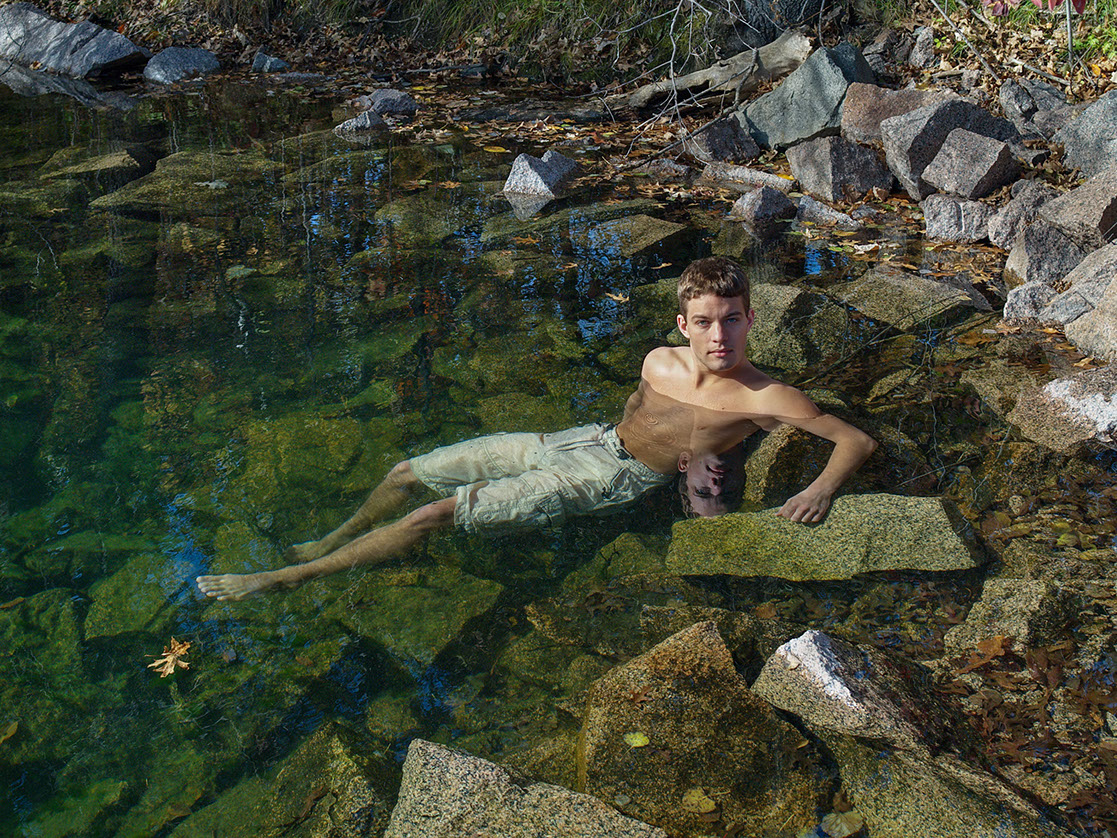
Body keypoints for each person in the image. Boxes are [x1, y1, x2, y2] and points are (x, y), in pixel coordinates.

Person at [196, 257, 877, 601]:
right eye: (704, 321)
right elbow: (642, 413)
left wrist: (817, 488)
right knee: (406, 472)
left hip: (611, 480)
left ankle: (290, 577)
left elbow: (855, 439)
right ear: (683, 323)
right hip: (578, 440)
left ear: (751, 318)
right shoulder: (659, 360)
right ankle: (333, 538)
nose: (719, 334)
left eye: (731, 319)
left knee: (434, 513)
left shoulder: (766, 396)